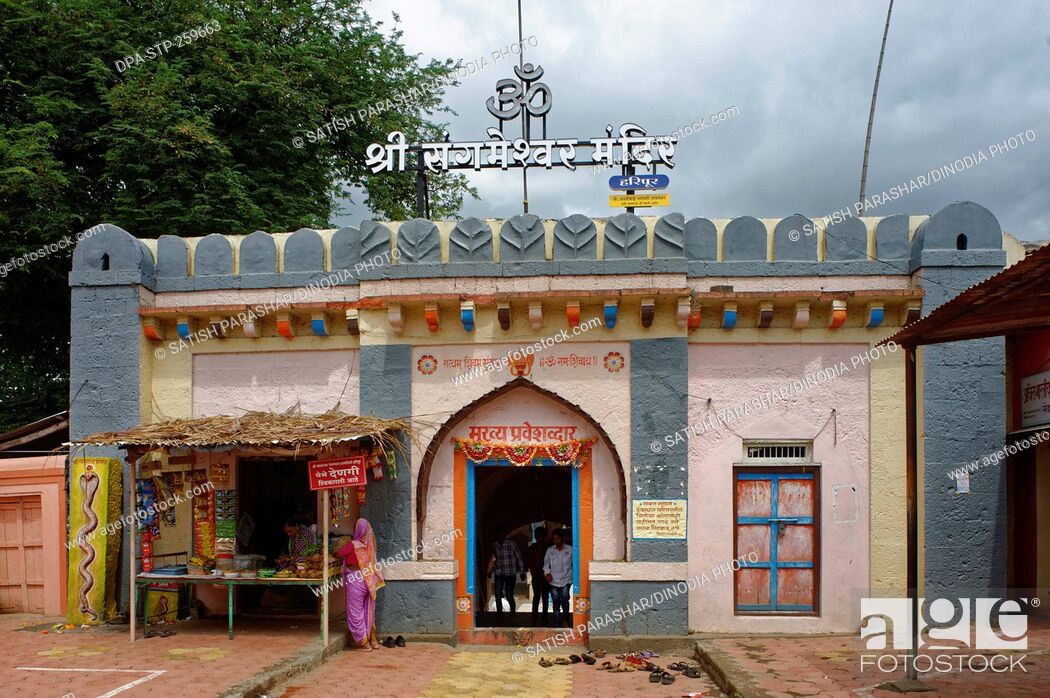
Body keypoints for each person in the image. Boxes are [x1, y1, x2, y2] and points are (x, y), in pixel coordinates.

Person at [336, 518, 384, 650]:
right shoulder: (371, 545)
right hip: (369, 581)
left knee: (355, 611)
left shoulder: (353, 545)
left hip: (355, 579)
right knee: (369, 611)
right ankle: (373, 640)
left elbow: (339, 553)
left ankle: (364, 642)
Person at [489, 525, 525, 614]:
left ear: (505, 534)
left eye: (502, 533)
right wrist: (491, 571)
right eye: (498, 534)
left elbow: (519, 558)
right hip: (499, 574)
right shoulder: (495, 545)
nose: (500, 535)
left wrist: (522, 571)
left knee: (509, 596)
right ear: (496, 535)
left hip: (510, 573)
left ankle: (513, 612)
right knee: (497, 596)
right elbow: (496, 560)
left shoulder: (511, 544)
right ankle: (499, 615)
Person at [543, 530, 573, 627]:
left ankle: (565, 619)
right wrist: (547, 574)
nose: (556, 541)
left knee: (565, 599)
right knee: (555, 601)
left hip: (566, 579)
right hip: (554, 580)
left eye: (558, 538)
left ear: (562, 539)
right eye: (554, 539)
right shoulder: (550, 550)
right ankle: (557, 623)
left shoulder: (570, 549)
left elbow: (575, 564)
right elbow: (546, 565)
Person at [525, 526, 551, 625]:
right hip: (536, 576)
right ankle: (534, 617)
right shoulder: (532, 548)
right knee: (536, 597)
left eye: (540, 536)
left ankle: (544, 617)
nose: (538, 538)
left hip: (545, 576)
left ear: (543, 537)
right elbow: (528, 561)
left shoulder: (549, 548)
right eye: (537, 536)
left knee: (545, 597)